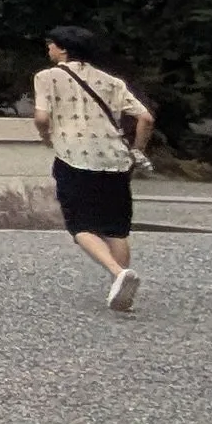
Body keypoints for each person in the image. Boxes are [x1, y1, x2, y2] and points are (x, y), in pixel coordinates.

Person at [29, 25, 155, 312]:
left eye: (51, 44)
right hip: (115, 160)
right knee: (116, 228)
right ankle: (121, 285)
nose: (48, 49)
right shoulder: (111, 81)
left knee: (80, 224)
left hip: (74, 156)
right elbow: (145, 118)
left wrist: (45, 135)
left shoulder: (47, 77)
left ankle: (118, 273)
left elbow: (41, 117)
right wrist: (138, 150)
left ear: (62, 48)